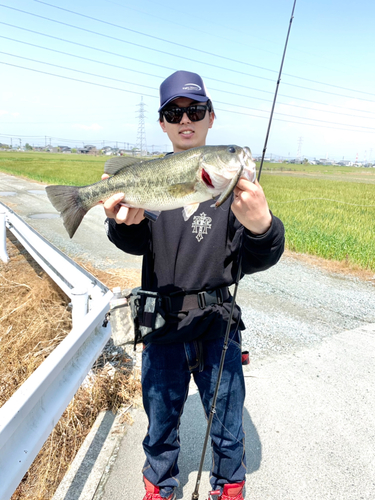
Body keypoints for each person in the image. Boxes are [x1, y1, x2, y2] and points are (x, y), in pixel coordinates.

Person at [102, 70, 285, 500]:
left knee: (226, 420)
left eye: (196, 110)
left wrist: (263, 226)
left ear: (210, 118)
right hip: (162, 325)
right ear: (163, 123)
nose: (186, 119)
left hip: (216, 324)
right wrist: (120, 224)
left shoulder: (235, 191)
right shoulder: (153, 178)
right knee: (161, 417)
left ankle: (230, 485)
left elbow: (258, 256)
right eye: (174, 112)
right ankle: (159, 485)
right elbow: (136, 241)